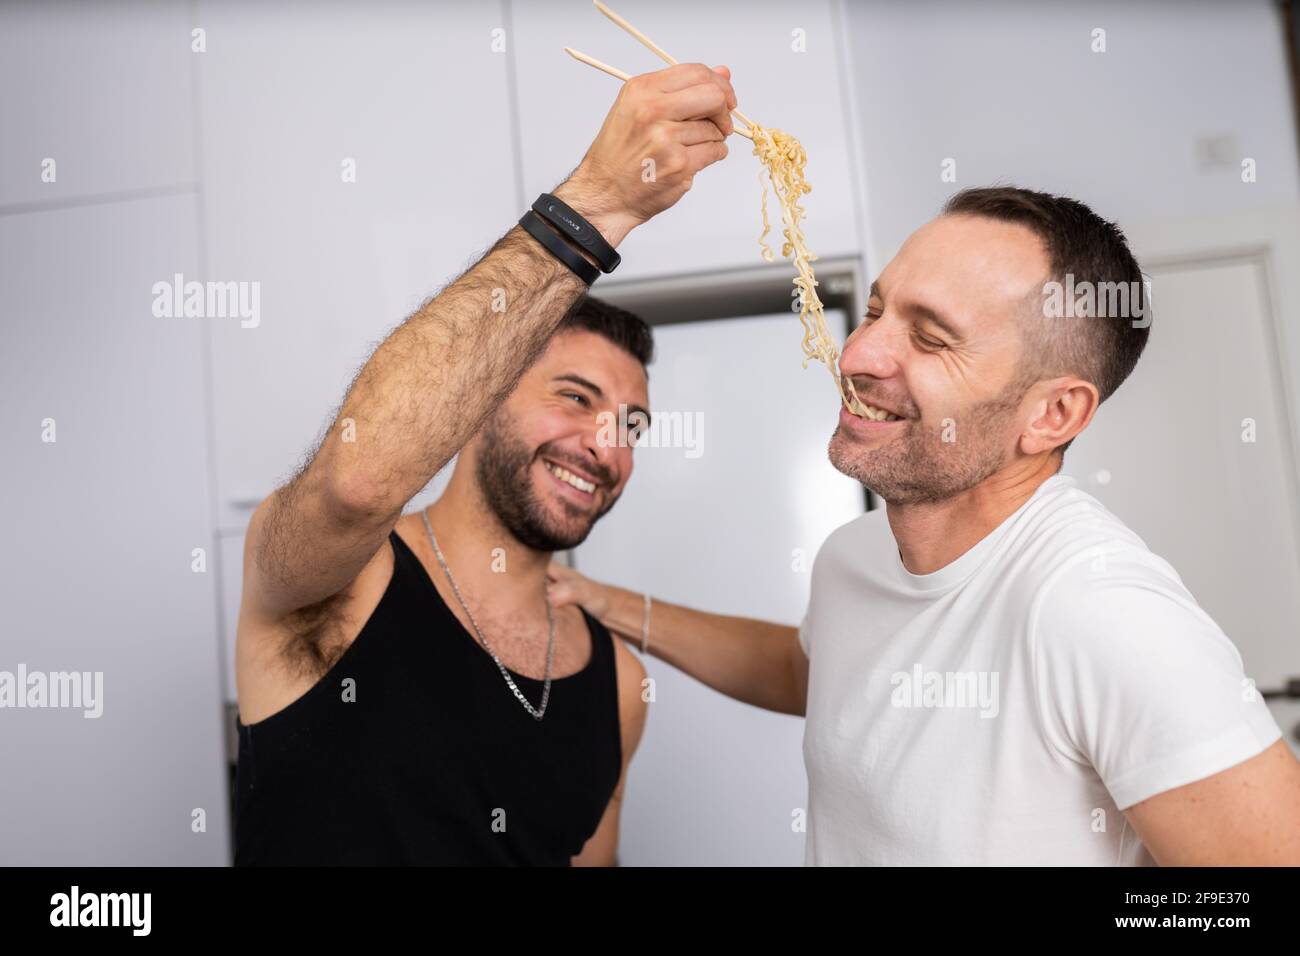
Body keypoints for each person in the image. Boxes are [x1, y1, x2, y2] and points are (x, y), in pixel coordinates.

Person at [548, 185, 1300, 865]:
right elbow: (811, 671)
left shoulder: (1101, 611)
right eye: (877, 311)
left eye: (932, 338)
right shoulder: (855, 557)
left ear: (1052, 415)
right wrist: (606, 603)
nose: (857, 354)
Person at [232, 62, 739, 864]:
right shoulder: (337, 582)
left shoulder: (619, 685)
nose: (607, 445)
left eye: (631, 424)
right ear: (480, 398)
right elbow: (355, 484)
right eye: (575, 398)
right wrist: (598, 204)